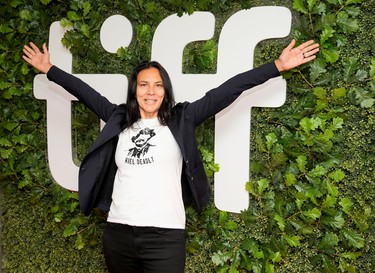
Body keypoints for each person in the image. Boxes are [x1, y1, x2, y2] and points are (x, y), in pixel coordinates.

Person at [22, 39, 319, 273]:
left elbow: (228, 90)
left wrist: (277, 66)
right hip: (118, 233)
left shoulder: (182, 118)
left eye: (158, 85)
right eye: (143, 85)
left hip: (165, 237)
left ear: (165, 90)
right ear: (134, 90)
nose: (150, 92)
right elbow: (85, 93)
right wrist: (49, 69)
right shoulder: (118, 118)